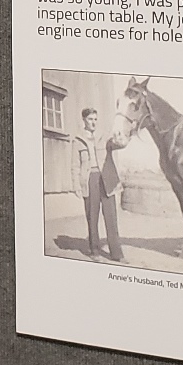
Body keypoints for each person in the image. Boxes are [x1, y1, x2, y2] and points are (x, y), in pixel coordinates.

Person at [73, 107, 124, 261]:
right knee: (92, 216)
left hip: (106, 179)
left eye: (95, 119)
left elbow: (119, 144)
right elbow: (75, 166)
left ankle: (117, 254)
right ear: (84, 120)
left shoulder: (104, 137)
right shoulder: (77, 141)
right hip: (89, 179)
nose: (93, 122)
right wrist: (76, 186)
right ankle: (94, 251)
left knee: (111, 218)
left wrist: (121, 138)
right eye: (90, 119)